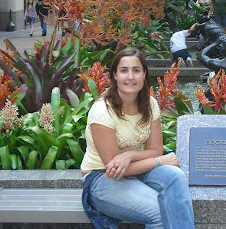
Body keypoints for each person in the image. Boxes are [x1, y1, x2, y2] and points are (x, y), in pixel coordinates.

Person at [80, 47, 195, 229]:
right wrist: (159, 160)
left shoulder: (149, 104)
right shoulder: (103, 110)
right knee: (159, 210)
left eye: (136, 70)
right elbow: (116, 169)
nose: (130, 77)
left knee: (175, 176)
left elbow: (155, 149)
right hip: (102, 177)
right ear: (115, 75)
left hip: (137, 169)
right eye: (124, 71)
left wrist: (129, 155)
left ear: (144, 74)